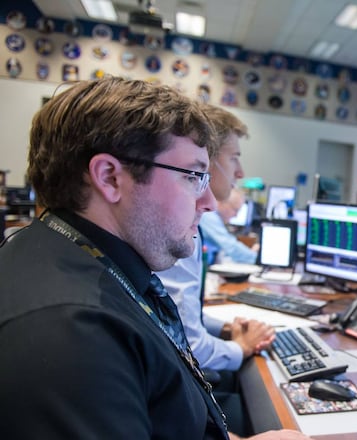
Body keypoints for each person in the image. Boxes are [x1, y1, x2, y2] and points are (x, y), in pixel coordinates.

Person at [0, 77, 309, 440]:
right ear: (110, 177)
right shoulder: (70, 332)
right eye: (193, 176)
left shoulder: (75, 260)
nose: (209, 202)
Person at [156, 105, 274, 434]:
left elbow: (174, 313)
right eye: (234, 158)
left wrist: (224, 329)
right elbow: (187, 343)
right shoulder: (177, 227)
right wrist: (241, 347)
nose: (240, 172)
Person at [202, 187, 259, 264]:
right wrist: (257, 258)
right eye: (235, 210)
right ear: (222, 202)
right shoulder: (208, 216)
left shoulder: (212, 216)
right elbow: (230, 246)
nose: (236, 215)